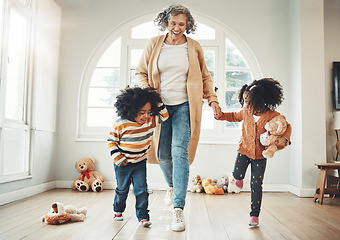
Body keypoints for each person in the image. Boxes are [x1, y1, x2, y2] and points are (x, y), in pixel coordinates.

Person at [135, 4, 222, 232]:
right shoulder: (154, 44)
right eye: (173, 23)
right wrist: (149, 92)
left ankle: (178, 209)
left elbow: (205, 77)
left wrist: (212, 100)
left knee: (179, 152)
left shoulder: (193, 47)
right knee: (163, 154)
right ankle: (172, 186)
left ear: (187, 25)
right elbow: (140, 72)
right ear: (166, 22)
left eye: (181, 24)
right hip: (160, 107)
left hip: (186, 106)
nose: (176, 27)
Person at [216, 78, 292, 227]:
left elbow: (286, 125)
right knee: (237, 176)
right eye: (244, 101)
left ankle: (254, 215)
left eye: (249, 102)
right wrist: (221, 115)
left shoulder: (271, 115)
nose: (246, 105)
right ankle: (238, 179)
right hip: (243, 151)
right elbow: (232, 116)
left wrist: (284, 139)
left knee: (256, 185)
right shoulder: (245, 112)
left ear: (260, 100)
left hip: (260, 156)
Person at [107, 87, 169, 228]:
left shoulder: (150, 121)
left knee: (142, 190)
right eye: (142, 113)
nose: (146, 116)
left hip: (140, 162)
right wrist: (118, 158)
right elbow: (111, 141)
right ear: (131, 109)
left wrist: (156, 101)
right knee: (122, 189)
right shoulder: (121, 124)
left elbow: (165, 116)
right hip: (123, 163)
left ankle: (143, 217)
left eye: (148, 112)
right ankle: (118, 210)